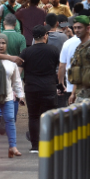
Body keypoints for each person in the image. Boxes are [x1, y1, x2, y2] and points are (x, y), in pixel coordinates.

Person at [20, 25, 61, 153]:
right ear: (45, 36)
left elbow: (19, 71)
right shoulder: (53, 50)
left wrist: (19, 88)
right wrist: (60, 84)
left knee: (33, 116)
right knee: (48, 115)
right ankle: (48, 143)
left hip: (31, 88)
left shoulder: (26, 52)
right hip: (49, 87)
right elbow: (59, 69)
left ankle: (35, 146)